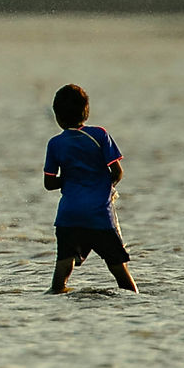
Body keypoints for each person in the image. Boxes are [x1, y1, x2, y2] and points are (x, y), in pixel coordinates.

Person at [43, 84, 138, 293]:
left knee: (62, 270)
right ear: (86, 112)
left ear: (57, 117)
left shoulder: (55, 144)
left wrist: (69, 179)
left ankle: (54, 300)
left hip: (69, 217)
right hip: (99, 215)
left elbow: (49, 183)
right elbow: (117, 172)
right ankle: (138, 305)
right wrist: (102, 185)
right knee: (120, 272)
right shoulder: (100, 135)